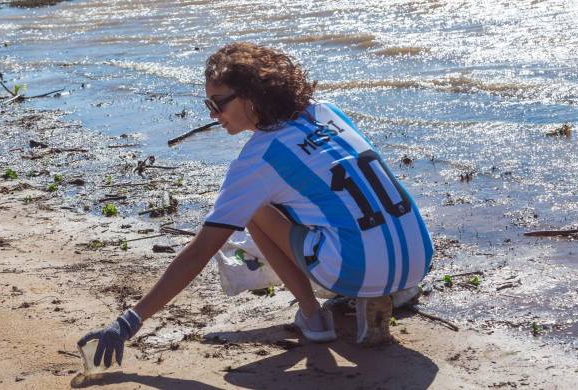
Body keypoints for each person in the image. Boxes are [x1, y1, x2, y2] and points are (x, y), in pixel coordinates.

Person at [78, 42, 434, 368]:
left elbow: (201, 250)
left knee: (255, 212)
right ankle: (383, 287)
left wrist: (130, 321)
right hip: (419, 257)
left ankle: (314, 317)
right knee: (324, 208)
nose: (214, 115)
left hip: (357, 267)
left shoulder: (258, 159)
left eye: (218, 103)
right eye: (209, 105)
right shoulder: (328, 112)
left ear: (252, 96)